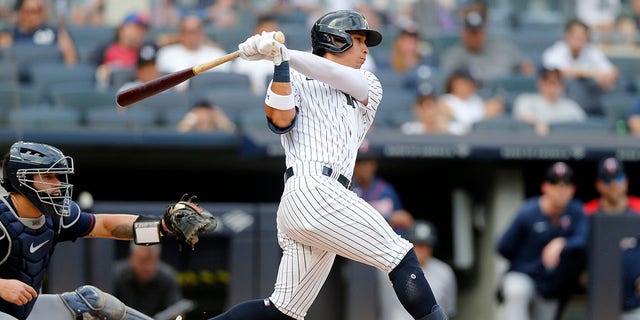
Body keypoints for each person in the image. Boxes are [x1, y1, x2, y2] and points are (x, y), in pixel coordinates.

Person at [209, 9, 447, 320]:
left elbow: (333, 74)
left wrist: (283, 54)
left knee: (284, 311)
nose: (365, 49)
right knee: (400, 255)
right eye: (358, 40)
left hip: (324, 197)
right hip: (312, 189)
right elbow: (280, 120)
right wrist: (281, 64)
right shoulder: (293, 76)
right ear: (334, 40)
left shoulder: (368, 84)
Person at [0, 141, 215, 320]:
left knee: (90, 302)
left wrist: (161, 227)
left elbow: (105, 226)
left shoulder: (55, 217)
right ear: (22, 179)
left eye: (58, 176)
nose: (58, 184)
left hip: (24, 310)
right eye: (48, 177)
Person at [496, 161, 588, 320]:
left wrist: (562, 243)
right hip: (525, 276)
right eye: (555, 183)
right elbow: (503, 247)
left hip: (551, 287)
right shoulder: (529, 212)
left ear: (572, 189)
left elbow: (584, 240)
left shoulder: (576, 210)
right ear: (545, 187)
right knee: (517, 290)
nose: (560, 189)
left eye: (565, 184)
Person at [583, 157, 640, 319]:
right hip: (601, 296)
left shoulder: (639, 208)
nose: (614, 184)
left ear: (626, 181)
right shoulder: (587, 212)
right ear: (599, 185)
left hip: (635, 300)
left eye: (619, 178)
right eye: (608, 180)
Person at [439, 2, 534, 88]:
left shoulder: (504, 48)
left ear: (484, 31)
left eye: (477, 32)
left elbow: (528, 69)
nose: (474, 37)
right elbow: (448, 87)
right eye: (471, 32)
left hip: (501, 100)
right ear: (463, 32)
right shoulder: (452, 56)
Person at [378, 220, 457, 319]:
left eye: (427, 245)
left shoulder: (445, 272)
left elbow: (449, 309)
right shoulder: (390, 268)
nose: (423, 250)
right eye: (419, 245)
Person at [542, 18, 619, 116]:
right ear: (568, 36)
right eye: (577, 37)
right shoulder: (555, 51)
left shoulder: (591, 51)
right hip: (562, 102)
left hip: (591, 102)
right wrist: (587, 73)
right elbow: (553, 72)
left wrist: (605, 78)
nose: (580, 40)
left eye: (583, 37)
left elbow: (613, 71)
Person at [352, 141, 413, 235]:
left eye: (369, 163)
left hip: (384, 241)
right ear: (354, 166)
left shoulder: (386, 189)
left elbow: (403, 219)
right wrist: (389, 218)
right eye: (361, 163)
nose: (366, 168)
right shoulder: (347, 189)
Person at [156, 14, 230, 92]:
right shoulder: (166, 54)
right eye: (187, 32)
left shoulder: (217, 54)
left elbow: (223, 83)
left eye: (194, 31)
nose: (191, 36)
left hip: (209, 98)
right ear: (180, 33)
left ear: (201, 33)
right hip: (177, 98)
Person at [113, 242, 183, 318]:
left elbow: (178, 313)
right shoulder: (115, 276)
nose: (148, 268)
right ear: (132, 257)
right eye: (143, 261)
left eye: (153, 261)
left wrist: (178, 317)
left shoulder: (167, 277)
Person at [0, 0, 77, 67]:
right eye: (31, 11)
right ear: (20, 12)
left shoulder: (56, 33)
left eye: (39, 11)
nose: (34, 16)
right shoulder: (9, 35)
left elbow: (70, 61)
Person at [512, 67, 587, 136]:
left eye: (559, 83)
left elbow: (584, 127)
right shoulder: (526, 100)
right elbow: (524, 117)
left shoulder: (571, 106)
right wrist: (537, 123)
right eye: (551, 82)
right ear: (541, 83)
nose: (554, 87)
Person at [439, 68, 504, 135]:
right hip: (454, 141)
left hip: (476, 140)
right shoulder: (446, 100)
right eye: (468, 83)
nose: (472, 87)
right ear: (455, 82)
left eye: (473, 84)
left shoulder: (476, 100)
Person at [233, 15, 280, 95]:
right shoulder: (243, 58)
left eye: (273, 31)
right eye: (267, 32)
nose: (270, 37)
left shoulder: (287, 57)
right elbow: (239, 88)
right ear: (256, 32)